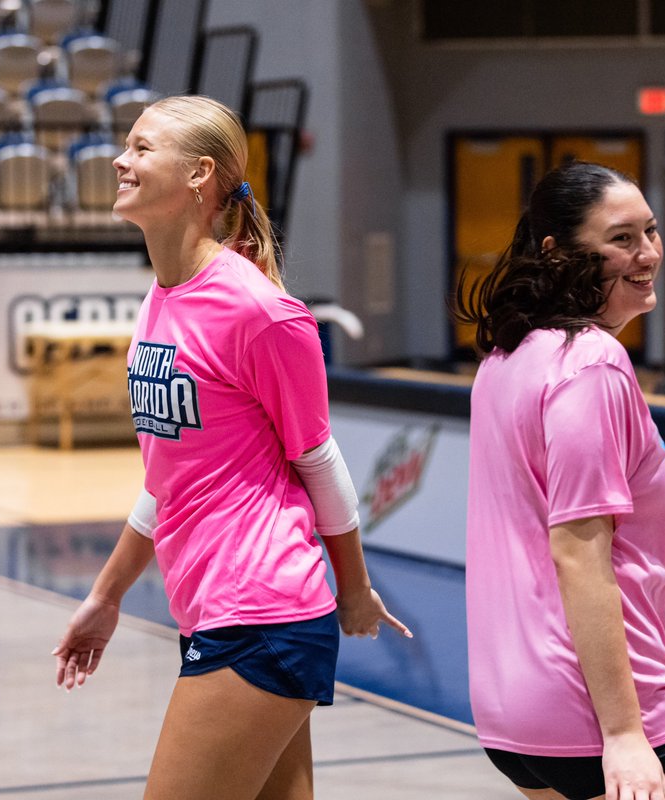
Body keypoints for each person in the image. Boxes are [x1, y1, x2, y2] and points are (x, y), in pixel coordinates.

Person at [51, 94, 410, 800]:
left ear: (199, 175)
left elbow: (319, 461)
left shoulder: (260, 311)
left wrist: (356, 587)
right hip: (219, 608)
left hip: (263, 611)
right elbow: (168, 481)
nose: (121, 160)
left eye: (143, 147)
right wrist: (106, 595)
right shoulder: (160, 300)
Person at [453, 161, 665, 800]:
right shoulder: (592, 366)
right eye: (622, 238)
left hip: (509, 711)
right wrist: (626, 733)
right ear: (557, 253)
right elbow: (579, 554)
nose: (648, 253)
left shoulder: (506, 356)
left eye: (651, 232)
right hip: (593, 708)